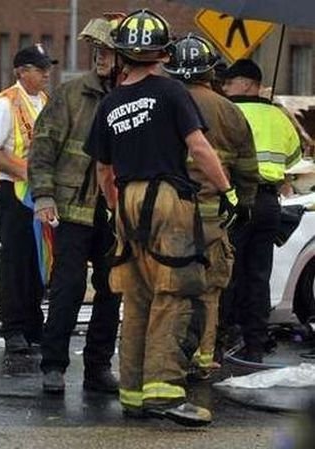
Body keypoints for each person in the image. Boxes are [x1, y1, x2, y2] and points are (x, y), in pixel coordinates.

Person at [85, 9, 240, 427]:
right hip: (168, 201)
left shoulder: (111, 102)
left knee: (136, 299)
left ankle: (133, 394)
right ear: (162, 52)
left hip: (127, 202)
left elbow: (103, 170)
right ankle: (166, 393)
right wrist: (227, 190)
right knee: (175, 294)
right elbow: (200, 148)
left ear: (121, 53)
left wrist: (119, 206)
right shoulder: (172, 93)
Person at [28, 15, 123, 394]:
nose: (100, 57)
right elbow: (42, 148)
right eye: (97, 51)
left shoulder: (136, 97)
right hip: (71, 209)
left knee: (111, 289)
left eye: (109, 52)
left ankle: (98, 369)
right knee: (67, 288)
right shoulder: (71, 94)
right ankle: (54, 366)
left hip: (117, 213)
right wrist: (44, 196)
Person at [162, 34, 259, 378]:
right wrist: (243, 203)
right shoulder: (230, 111)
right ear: (210, 72)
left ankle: (167, 358)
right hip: (212, 217)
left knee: (167, 287)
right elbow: (247, 168)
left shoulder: (161, 102)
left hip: (165, 214)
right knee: (210, 287)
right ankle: (203, 357)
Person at [221, 58, 302, 363]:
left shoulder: (227, 111)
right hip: (268, 202)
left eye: (230, 83)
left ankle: (224, 336)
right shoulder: (277, 115)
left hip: (234, 198)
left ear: (246, 84)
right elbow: (294, 157)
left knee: (228, 270)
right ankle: (255, 340)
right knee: (258, 273)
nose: (225, 88)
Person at [0, 43, 57, 353]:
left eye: (48, 68)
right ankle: (14, 330)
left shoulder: (46, 102)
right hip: (13, 194)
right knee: (15, 262)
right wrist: (29, 172)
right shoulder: (5, 104)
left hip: (39, 194)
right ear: (22, 72)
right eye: (41, 69)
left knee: (39, 261)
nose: (47, 74)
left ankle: (34, 325)